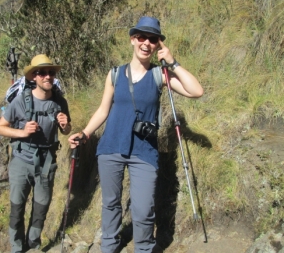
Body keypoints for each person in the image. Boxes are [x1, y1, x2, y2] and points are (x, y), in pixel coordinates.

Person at [68, 16, 203, 253]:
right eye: (141, 37)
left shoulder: (159, 75)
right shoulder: (115, 75)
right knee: (110, 204)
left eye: (153, 39)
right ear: (133, 39)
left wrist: (173, 63)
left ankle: (143, 248)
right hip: (111, 146)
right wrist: (85, 133)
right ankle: (108, 247)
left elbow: (196, 91)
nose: (146, 43)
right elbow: (103, 109)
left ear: (157, 44)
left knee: (142, 209)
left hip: (144, 152)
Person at [0, 54, 72, 253]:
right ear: (34, 77)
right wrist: (21, 132)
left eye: (51, 73)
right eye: (42, 73)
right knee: (17, 208)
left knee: (41, 208)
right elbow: (0, 127)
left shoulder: (60, 103)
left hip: (47, 163)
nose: (47, 76)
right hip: (21, 161)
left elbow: (66, 130)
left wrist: (65, 126)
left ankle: (34, 246)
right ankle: (16, 248)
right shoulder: (20, 102)